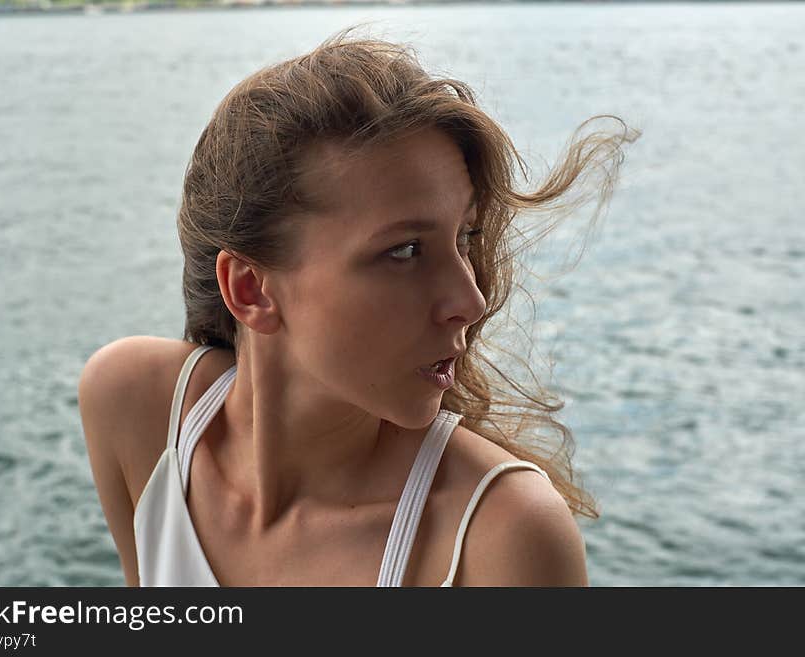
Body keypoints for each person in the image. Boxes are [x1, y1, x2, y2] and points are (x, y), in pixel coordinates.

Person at [78, 26, 639, 587]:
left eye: (464, 238)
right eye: (405, 251)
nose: (470, 300)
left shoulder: (500, 537)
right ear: (251, 289)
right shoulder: (138, 409)